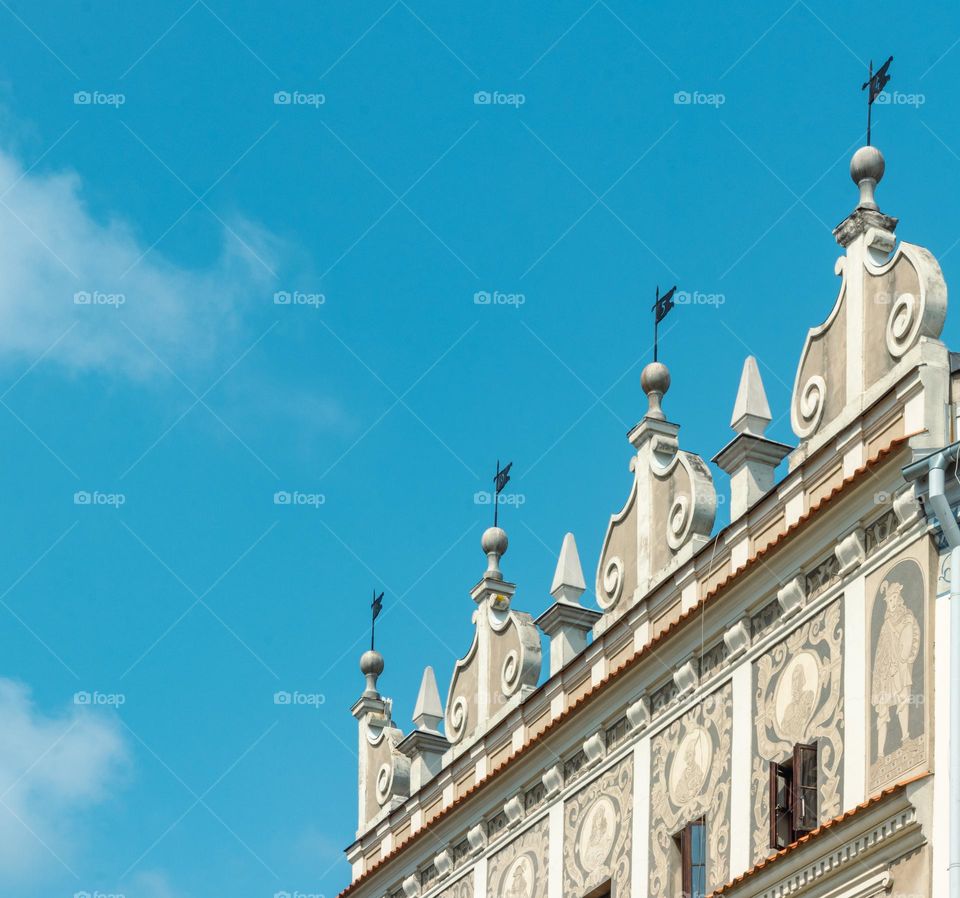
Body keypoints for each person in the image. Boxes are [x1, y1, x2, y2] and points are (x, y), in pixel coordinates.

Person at [872, 579, 920, 754]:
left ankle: (906, 737)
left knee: (903, 701)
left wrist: (905, 659)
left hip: (900, 667)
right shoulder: (885, 624)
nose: (891, 603)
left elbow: (911, 639)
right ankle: (879, 755)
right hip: (887, 671)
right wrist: (881, 675)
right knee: (882, 713)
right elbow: (880, 653)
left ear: (898, 598)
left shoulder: (907, 617)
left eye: (893, 599)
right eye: (889, 600)